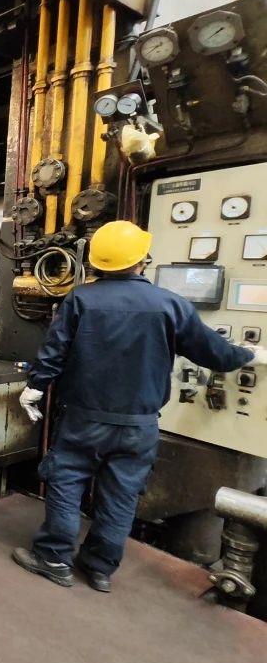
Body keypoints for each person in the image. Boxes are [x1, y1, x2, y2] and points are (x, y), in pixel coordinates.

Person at [14, 220, 267, 592]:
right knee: (121, 495)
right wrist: (249, 355)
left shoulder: (81, 299)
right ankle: (100, 569)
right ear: (142, 260)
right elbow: (214, 352)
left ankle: (53, 560)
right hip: (139, 425)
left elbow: (54, 352)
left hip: (84, 419)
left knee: (66, 482)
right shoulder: (170, 304)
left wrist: (35, 387)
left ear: (96, 262)